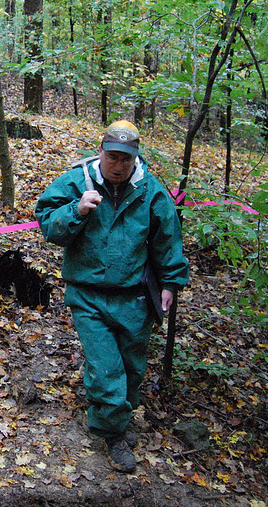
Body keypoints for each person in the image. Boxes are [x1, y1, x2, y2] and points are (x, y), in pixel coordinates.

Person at [35, 120, 189, 472]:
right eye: (112, 157)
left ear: (136, 158)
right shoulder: (76, 181)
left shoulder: (150, 189)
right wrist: (77, 210)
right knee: (105, 369)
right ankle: (113, 434)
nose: (118, 166)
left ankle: (116, 416)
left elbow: (167, 238)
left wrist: (170, 283)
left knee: (132, 369)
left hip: (135, 297)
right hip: (88, 295)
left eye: (126, 159)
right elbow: (47, 223)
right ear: (100, 151)